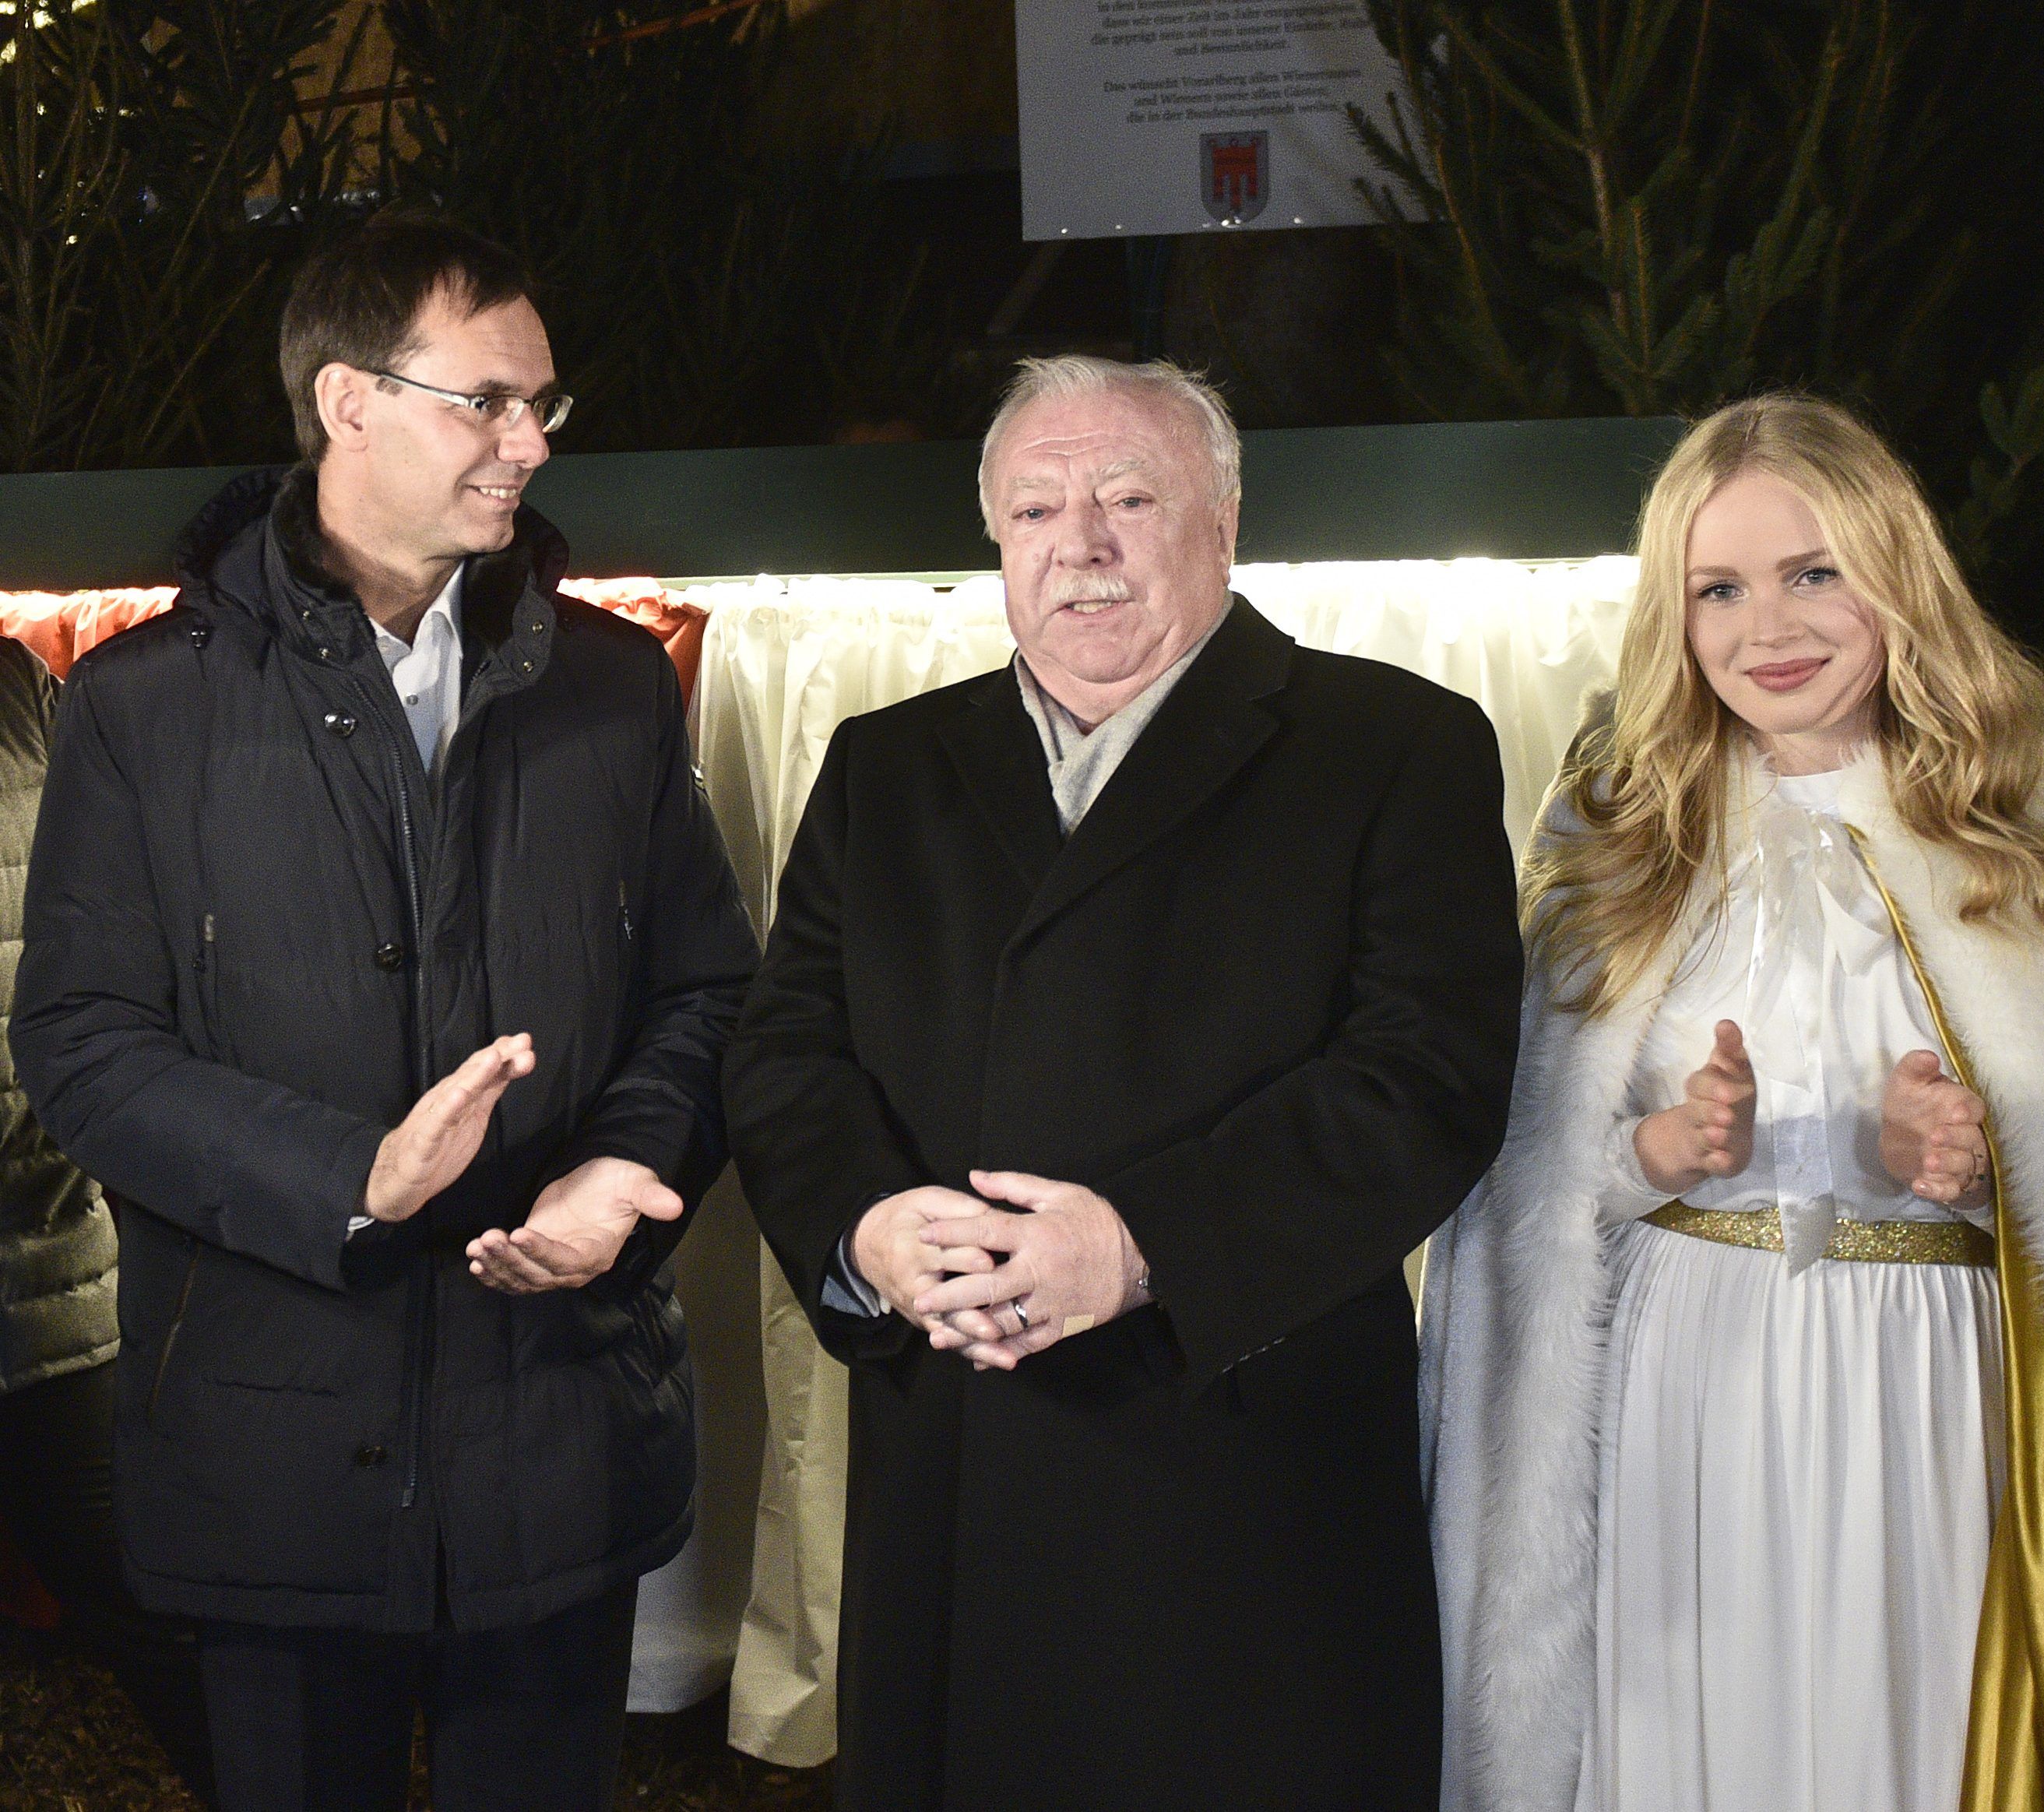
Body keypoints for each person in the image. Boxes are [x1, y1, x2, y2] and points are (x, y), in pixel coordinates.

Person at [1421, 394, 2044, 1811]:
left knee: (1901, 1736)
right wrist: (1655, 1148)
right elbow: (1513, 1173)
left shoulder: (2036, 837)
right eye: (1719, 588)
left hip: (1929, 1389)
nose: (1766, 625)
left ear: (1898, 573)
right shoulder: (1619, 835)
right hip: (1687, 1390)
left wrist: (1958, 1158)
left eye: (1812, 572)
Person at [10, 209, 758, 1812]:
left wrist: (628, 1167)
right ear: (347, 402)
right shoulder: (141, 706)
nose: (532, 440)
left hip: (561, 1424)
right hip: (267, 1457)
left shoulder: (617, 693)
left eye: (545, 402)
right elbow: (79, 1045)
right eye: (487, 399)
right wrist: (352, 1177)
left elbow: (704, 993)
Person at [723, 354, 1525, 1811]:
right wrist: (869, 1231)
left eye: (1127, 497)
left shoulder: (1396, 745)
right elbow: (787, 1052)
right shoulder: (883, 765)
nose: (1078, 543)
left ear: (1221, 519)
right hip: (958, 1455)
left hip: (1239, 1466)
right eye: (1035, 508)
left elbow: (1427, 1080)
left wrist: (1141, 1243)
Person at [0, 632, 216, 1806]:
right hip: (51, 1236)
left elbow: (110, 943)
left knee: (136, 1586)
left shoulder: (21, 692)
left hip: (46, 1248)